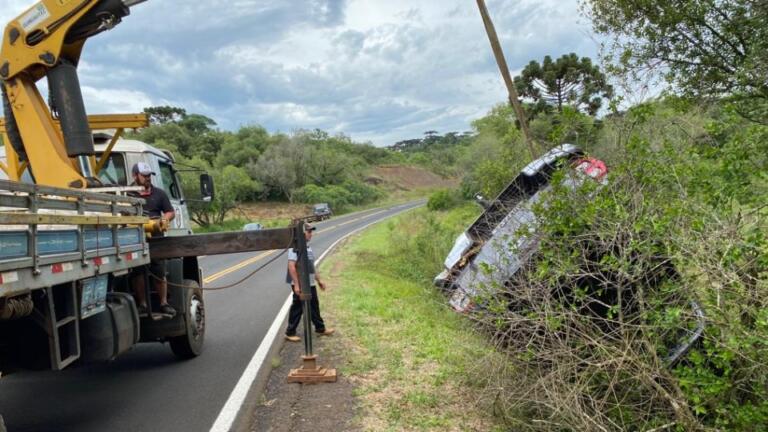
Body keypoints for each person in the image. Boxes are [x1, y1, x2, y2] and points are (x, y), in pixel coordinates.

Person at [130, 162, 176, 316]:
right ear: (135, 176)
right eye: (144, 176)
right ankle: (142, 304)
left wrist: (164, 219)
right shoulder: (128, 194)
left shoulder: (159, 193)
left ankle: (164, 303)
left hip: (156, 238)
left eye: (149, 175)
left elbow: (170, 211)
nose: (148, 178)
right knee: (137, 272)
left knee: (159, 270)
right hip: (135, 239)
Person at [285, 223, 334, 342]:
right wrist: (297, 285)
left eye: (311, 232)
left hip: (310, 282)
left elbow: (311, 267)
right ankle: (290, 332)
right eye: (309, 232)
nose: (311, 234)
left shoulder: (308, 248)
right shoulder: (295, 248)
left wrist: (319, 281)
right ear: (302, 234)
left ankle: (320, 328)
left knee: (314, 306)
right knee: (298, 307)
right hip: (301, 283)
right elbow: (291, 266)